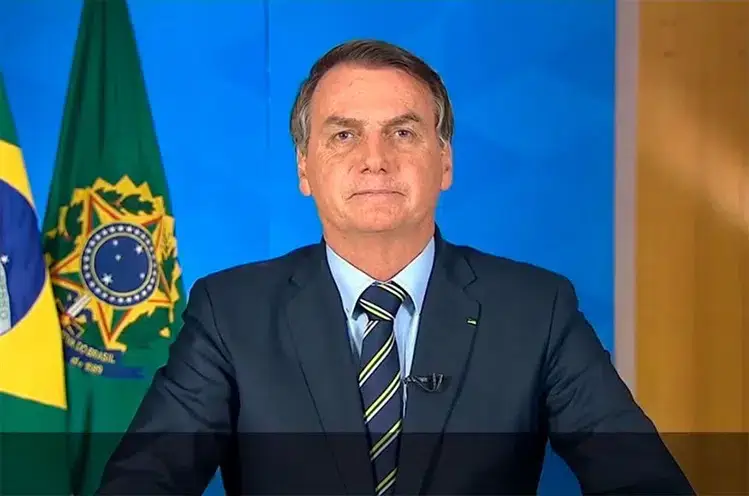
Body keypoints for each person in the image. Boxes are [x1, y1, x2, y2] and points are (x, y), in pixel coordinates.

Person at [97, 39, 693, 495]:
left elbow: (640, 478)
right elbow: (146, 479)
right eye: (344, 135)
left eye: (403, 133)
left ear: (445, 161)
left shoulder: (538, 310)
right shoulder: (229, 313)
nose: (375, 160)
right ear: (305, 168)